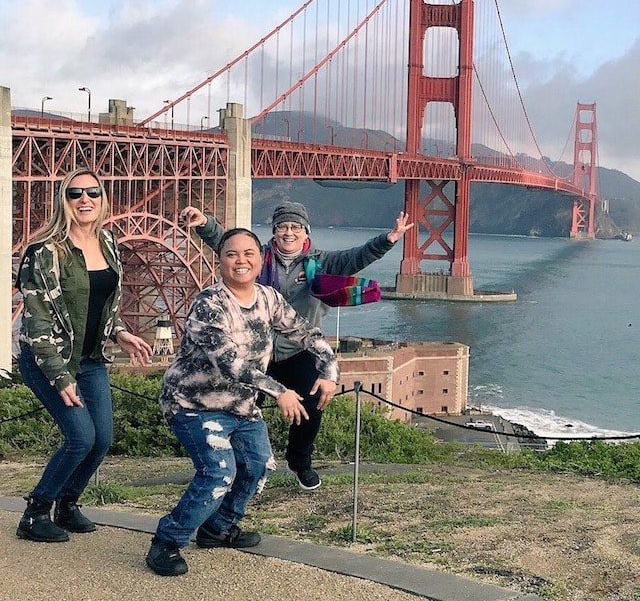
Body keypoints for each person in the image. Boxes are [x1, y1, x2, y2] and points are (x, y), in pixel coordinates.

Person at [145, 228, 337, 577]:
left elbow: (308, 333)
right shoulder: (209, 304)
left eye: (249, 253)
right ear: (220, 260)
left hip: (241, 406)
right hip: (193, 404)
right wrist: (280, 391)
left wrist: (329, 370)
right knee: (218, 472)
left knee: (258, 467)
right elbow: (230, 364)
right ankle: (167, 542)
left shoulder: (268, 298)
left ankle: (217, 528)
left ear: (260, 258)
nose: (241, 260)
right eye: (232, 253)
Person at [180, 202, 413, 490]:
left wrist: (388, 239)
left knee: (312, 406)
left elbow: (357, 258)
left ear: (305, 232)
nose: (289, 232)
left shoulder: (321, 261)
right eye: (283, 227)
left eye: (295, 227)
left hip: (298, 349)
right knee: (236, 406)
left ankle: (299, 460)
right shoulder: (257, 257)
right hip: (256, 351)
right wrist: (204, 222)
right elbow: (225, 242)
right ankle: (228, 465)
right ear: (275, 231)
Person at [15, 167, 154, 543]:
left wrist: (121, 331)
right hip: (49, 360)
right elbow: (37, 325)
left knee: (102, 439)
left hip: (91, 359)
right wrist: (61, 378)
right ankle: (35, 513)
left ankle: (67, 504)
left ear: (102, 198)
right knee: (80, 437)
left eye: (92, 192)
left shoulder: (108, 242)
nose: (85, 200)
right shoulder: (45, 253)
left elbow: (101, 304)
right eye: (75, 194)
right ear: (65, 200)